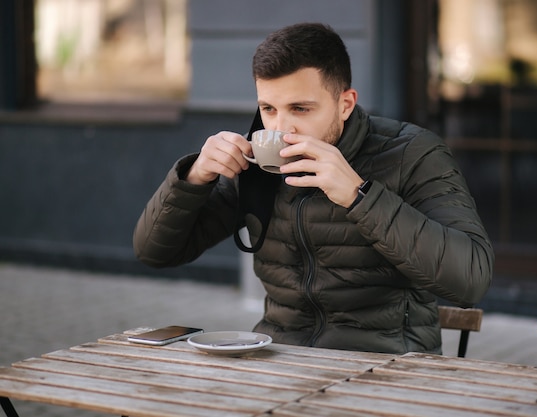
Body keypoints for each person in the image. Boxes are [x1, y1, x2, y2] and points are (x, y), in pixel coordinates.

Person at [133, 22, 493, 354]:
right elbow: (156, 253)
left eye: (300, 109)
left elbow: (471, 280)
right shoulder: (257, 162)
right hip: (280, 357)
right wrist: (194, 178)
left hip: (387, 365)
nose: (281, 129)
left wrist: (359, 196)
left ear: (345, 104)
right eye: (268, 108)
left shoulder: (413, 153)